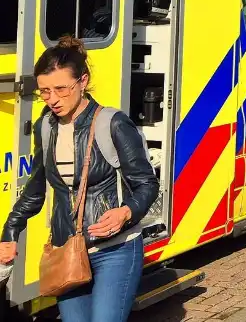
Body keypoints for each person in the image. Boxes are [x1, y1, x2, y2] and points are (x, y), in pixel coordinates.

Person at [1, 36, 160, 322]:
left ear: (82, 81)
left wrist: (127, 211)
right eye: (45, 92)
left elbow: (147, 183)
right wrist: (11, 231)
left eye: (61, 89)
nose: (53, 100)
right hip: (67, 251)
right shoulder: (46, 127)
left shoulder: (112, 123)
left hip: (116, 248)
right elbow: (36, 188)